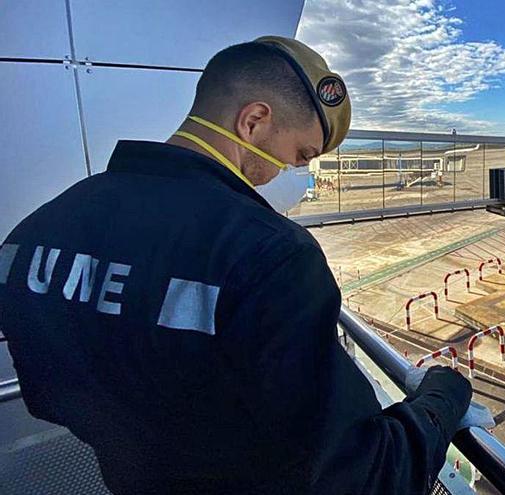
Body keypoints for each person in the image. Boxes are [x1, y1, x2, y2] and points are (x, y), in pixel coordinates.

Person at [0, 37, 472, 494]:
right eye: (300, 154)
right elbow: (360, 473)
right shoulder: (270, 253)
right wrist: (443, 397)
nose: (290, 170)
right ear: (254, 121)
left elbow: (47, 397)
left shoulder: (31, 233)